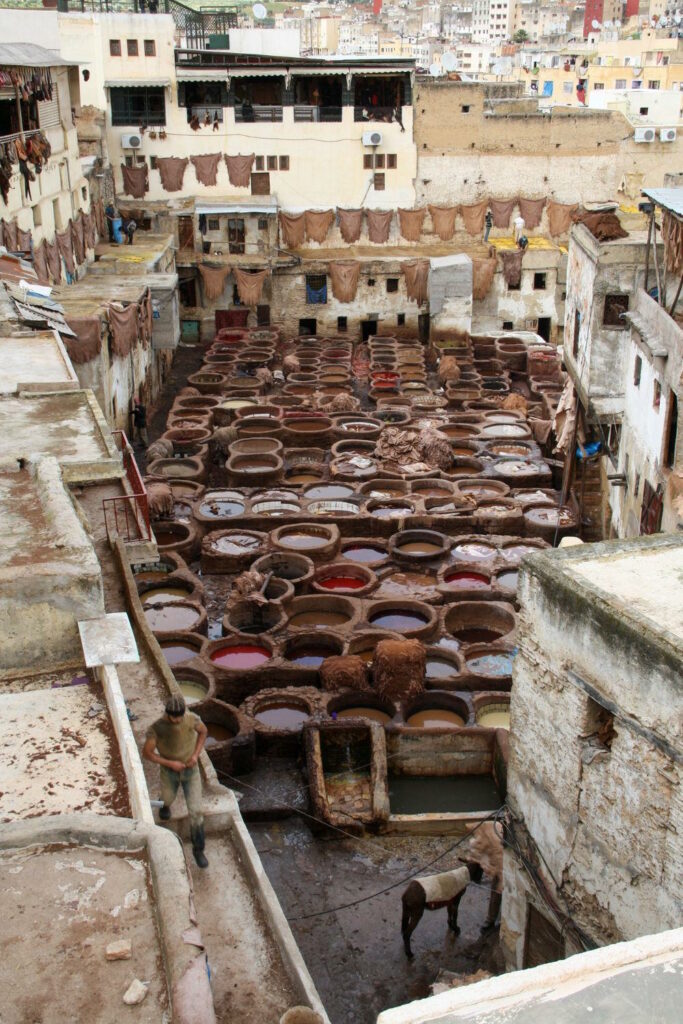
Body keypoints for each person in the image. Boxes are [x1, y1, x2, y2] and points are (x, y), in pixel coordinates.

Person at [143, 695, 209, 868]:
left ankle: (199, 850)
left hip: (191, 771)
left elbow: (203, 731)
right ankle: (163, 805)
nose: (178, 720)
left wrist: (195, 755)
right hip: (169, 772)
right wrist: (170, 763)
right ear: (168, 714)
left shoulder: (191, 719)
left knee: (196, 811)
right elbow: (147, 753)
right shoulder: (156, 728)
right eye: (174, 717)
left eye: (180, 716)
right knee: (166, 799)